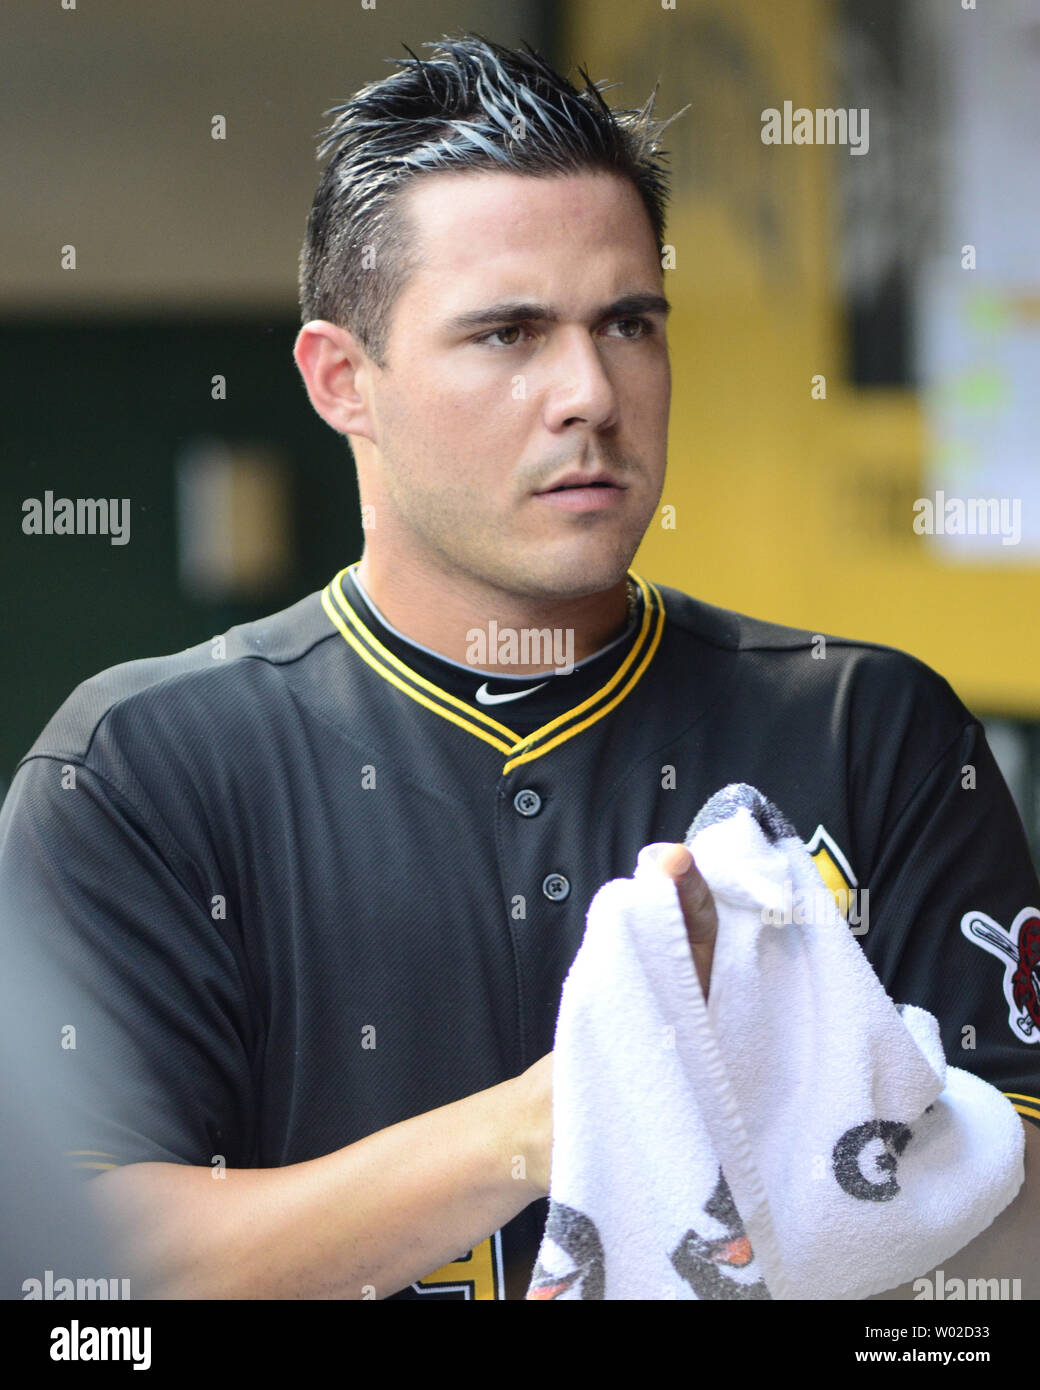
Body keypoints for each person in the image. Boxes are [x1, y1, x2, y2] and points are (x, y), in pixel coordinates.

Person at [0, 33, 1036, 1303]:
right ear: (342, 380)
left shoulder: (867, 729)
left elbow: (1017, 1239)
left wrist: (821, 1095)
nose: (589, 391)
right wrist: (553, 1119)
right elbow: (70, 1274)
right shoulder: (139, 770)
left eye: (628, 324)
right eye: (507, 333)